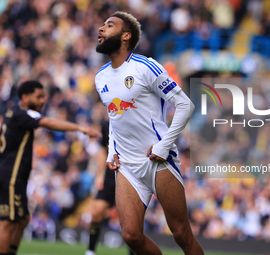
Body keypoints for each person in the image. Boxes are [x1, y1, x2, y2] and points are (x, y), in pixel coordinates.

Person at [95, 11, 204, 254]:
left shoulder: (146, 66)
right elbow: (114, 117)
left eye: (109, 25)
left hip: (158, 160)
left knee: (181, 233)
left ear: (126, 36)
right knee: (131, 235)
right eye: (102, 25)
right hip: (127, 165)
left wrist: (164, 145)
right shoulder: (100, 76)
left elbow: (187, 105)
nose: (101, 29)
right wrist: (112, 150)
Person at [0, 80, 101, 255]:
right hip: (11, 176)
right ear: (24, 97)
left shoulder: (14, 113)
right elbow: (49, 123)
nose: (42, 101)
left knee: (23, 219)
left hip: (17, 177)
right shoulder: (22, 113)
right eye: (38, 97)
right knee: (8, 222)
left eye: (43, 97)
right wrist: (80, 128)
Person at [85, 119, 134, 255]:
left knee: (130, 221)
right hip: (108, 176)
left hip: (129, 177)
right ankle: (90, 251)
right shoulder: (106, 124)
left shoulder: (133, 121)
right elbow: (102, 152)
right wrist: (99, 175)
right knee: (96, 213)